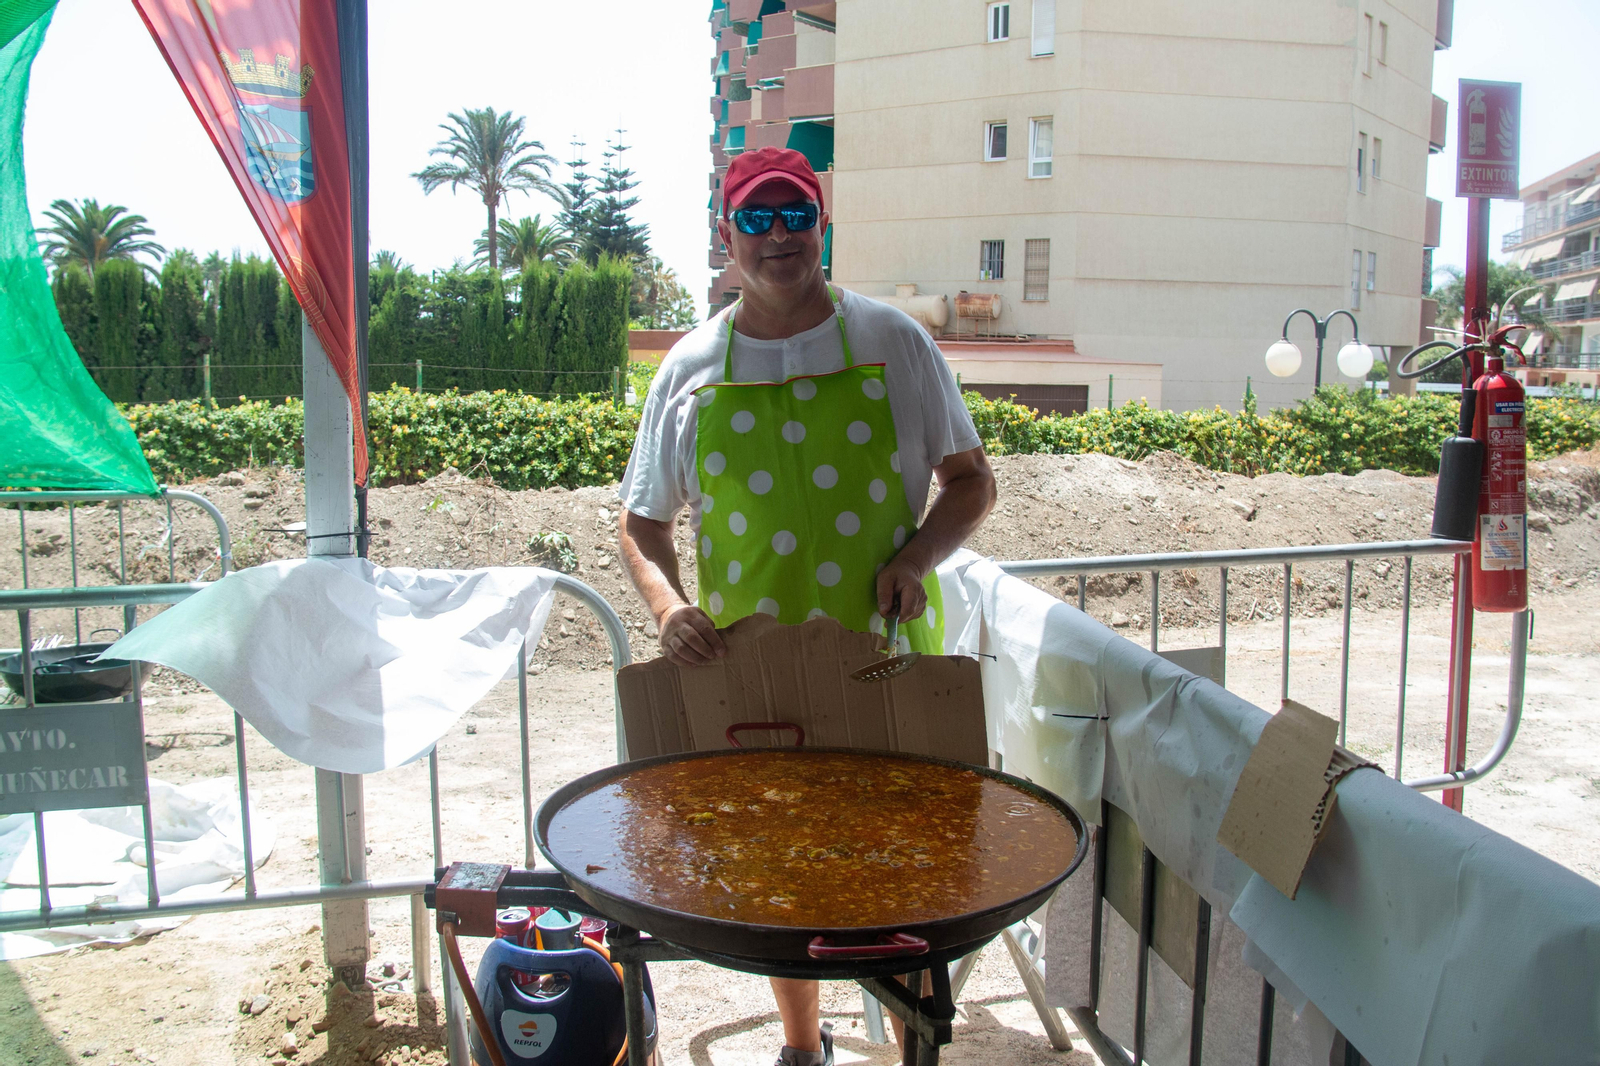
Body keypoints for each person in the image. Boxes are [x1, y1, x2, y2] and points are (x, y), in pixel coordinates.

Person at [617, 146, 997, 1066]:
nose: (778, 235)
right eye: (757, 218)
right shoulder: (691, 367)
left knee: (905, 855)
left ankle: (914, 1039)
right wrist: (669, 609)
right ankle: (801, 1045)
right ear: (727, 236)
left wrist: (916, 553)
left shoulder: (893, 341)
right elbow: (639, 525)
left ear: (822, 227)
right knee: (776, 858)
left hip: (884, 650)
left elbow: (970, 483)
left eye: (795, 216)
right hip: (750, 670)